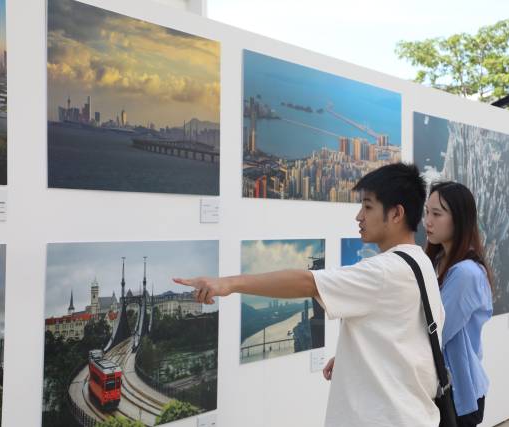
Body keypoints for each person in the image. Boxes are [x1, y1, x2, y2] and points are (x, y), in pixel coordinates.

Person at [174, 163, 445, 427]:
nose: (359, 217)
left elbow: (306, 282)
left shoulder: (384, 271)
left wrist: (227, 284)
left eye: (368, 207)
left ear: (396, 214)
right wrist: (358, 359)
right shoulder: (420, 264)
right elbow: (412, 339)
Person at [423, 181, 493, 427]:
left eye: (437, 214)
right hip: (443, 389)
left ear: (459, 219)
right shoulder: (438, 261)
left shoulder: (465, 273)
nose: (427, 221)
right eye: (427, 212)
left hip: (458, 394)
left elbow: (435, 331)